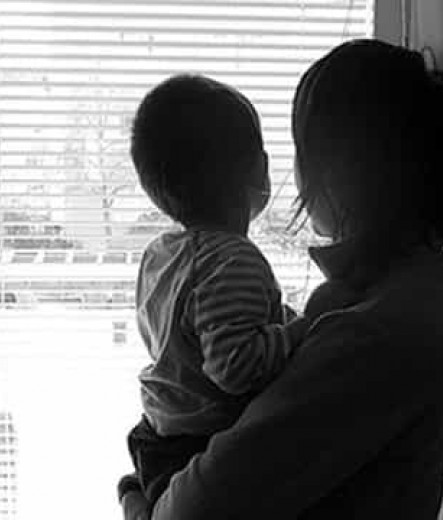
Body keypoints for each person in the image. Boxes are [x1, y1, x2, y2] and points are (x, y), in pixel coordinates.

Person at [123, 38, 443, 519]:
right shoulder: (393, 295)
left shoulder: (384, 327)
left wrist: (135, 499)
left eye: (303, 150)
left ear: (343, 171)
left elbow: (187, 514)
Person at [117, 74, 318, 517]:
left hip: (158, 434)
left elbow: (195, 334)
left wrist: (280, 321)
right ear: (259, 169)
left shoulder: (161, 253)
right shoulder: (233, 258)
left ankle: (137, 495)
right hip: (198, 444)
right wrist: (303, 331)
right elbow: (235, 368)